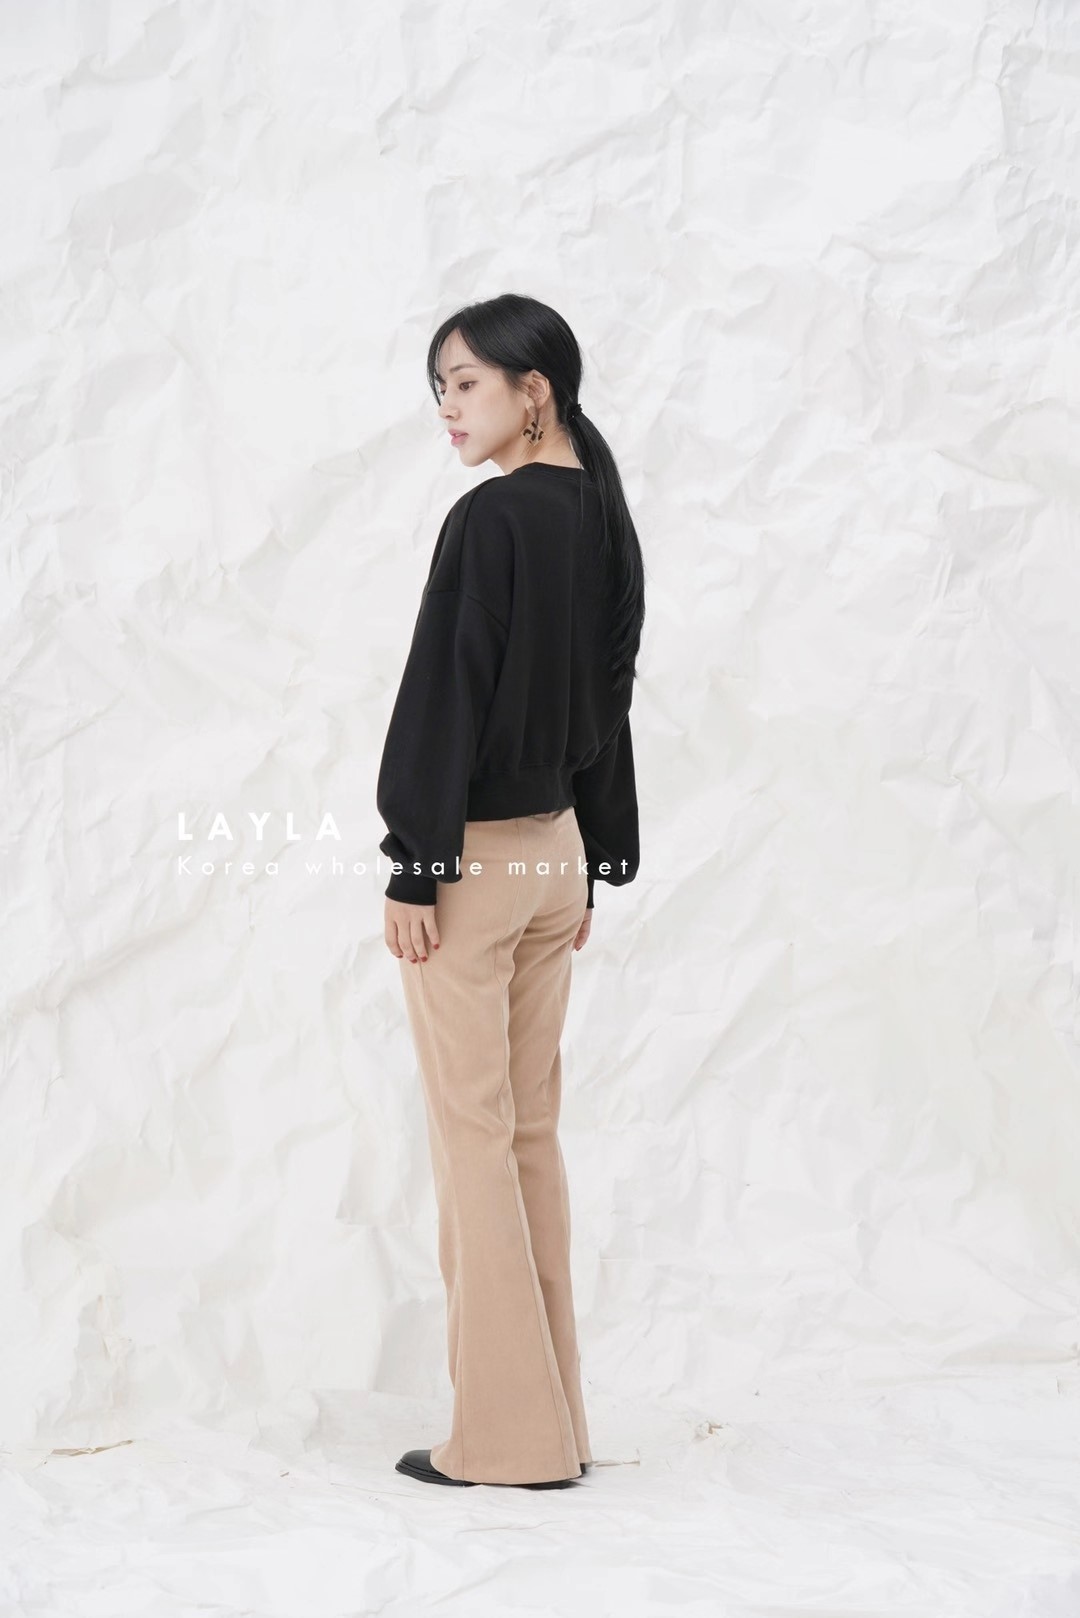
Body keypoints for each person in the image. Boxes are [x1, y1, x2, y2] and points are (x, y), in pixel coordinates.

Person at [377, 292, 645, 1490]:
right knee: (526, 1133)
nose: (447, 406)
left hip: (477, 865)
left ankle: (502, 1440)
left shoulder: (493, 517)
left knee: (474, 1141)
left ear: (534, 390)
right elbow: (610, 699)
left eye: (466, 382)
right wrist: (598, 857)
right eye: (439, 386)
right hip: (557, 855)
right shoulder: (603, 510)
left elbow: (448, 687)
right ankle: (556, 1424)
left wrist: (415, 859)